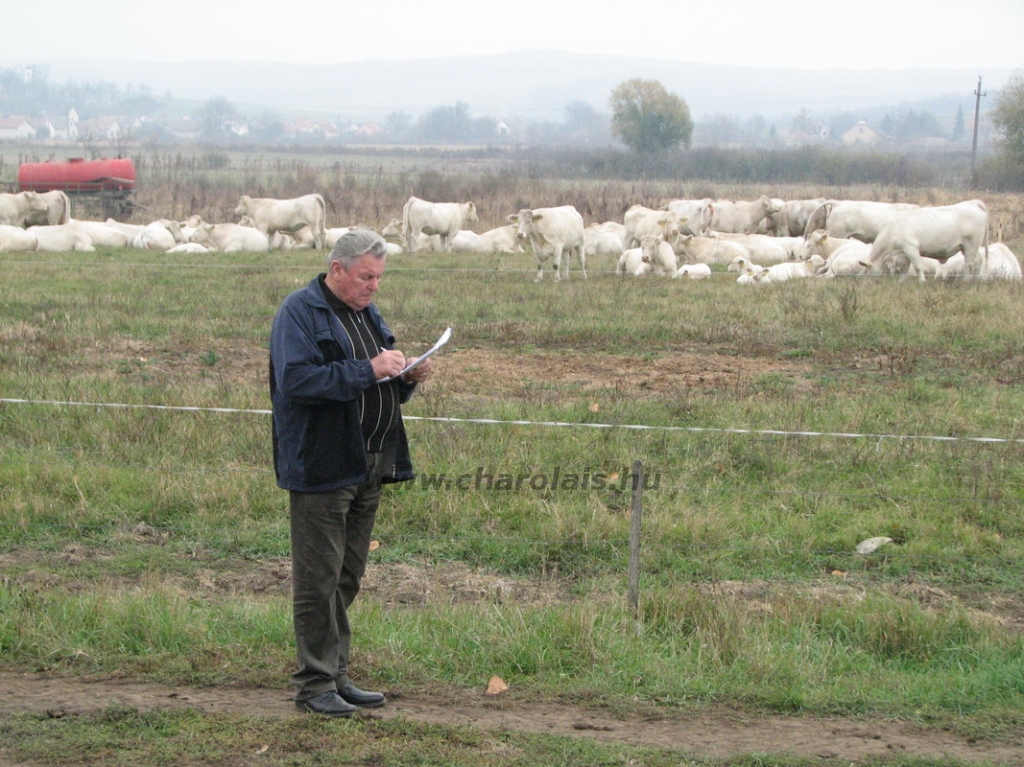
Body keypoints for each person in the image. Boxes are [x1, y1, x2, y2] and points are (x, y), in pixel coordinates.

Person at [269, 227, 432, 717]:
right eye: (366, 276)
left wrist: (405, 378)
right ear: (336, 269)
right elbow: (296, 380)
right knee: (318, 579)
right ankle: (313, 684)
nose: (373, 286)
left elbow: (377, 381)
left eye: (379, 277)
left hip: (370, 463)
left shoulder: (368, 314)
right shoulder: (298, 312)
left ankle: (336, 675)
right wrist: (370, 369)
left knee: (347, 575)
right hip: (323, 464)